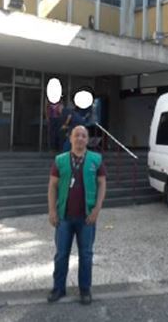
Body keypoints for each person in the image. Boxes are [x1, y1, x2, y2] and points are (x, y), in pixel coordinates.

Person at [47, 125, 107, 305]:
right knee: (61, 255)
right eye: (77, 135)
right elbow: (52, 186)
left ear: (87, 140)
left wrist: (97, 209)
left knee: (86, 255)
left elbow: (102, 184)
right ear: (71, 139)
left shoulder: (96, 159)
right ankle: (58, 288)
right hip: (64, 217)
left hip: (87, 218)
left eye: (83, 136)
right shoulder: (60, 160)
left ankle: (85, 290)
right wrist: (52, 210)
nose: (80, 138)